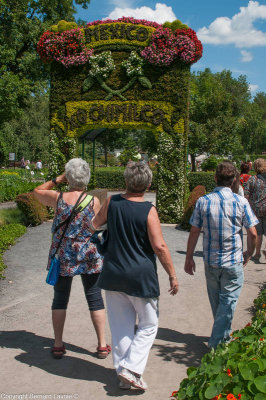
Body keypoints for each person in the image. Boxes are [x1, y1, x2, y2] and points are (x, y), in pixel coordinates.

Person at [91, 161, 178, 391]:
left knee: (121, 326)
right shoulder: (148, 210)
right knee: (149, 324)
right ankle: (131, 369)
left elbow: (93, 225)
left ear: (126, 182)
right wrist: (172, 274)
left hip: (113, 272)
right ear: (148, 184)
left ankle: (123, 374)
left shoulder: (112, 202)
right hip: (141, 276)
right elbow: (159, 246)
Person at [33, 158, 110, 359]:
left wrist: (58, 179)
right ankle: (102, 345)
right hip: (88, 254)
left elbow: (37, 191)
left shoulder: (57, 198)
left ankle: (58, 344)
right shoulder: (94, 201)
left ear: (69, 177)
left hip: (63, 255)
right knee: (94, 299)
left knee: (60, 299)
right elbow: (96, 226)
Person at [184, 161, 258, 349]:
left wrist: (189, 257)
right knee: (227, 303)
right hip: (233, 261)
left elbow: (194, 231)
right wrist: (249, 253)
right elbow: (253, 233)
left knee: (219, 303)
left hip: (211, 261)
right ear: (234, 179)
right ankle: (217, 344)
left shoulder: (203, 201)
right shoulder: (241, 202)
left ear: (215, 178)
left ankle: (221, 338)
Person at [244, 158, 266, 262]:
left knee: (258, 232)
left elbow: (246, 195)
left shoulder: (252, 179)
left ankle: (257, 254)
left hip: (256, 209)